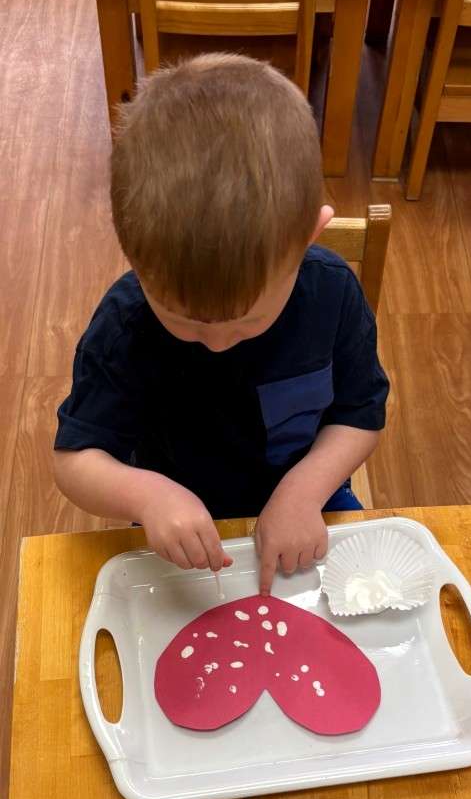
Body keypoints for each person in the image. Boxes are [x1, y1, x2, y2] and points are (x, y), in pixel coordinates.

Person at [53, 53, 389, 595]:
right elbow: (75, 460)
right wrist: (148, 497)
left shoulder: (332, 293)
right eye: (184, 321)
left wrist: (304, 491)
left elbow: (360, 415)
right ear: (133, 255)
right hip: (178, 519)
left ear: (310, 235)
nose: (215, 343)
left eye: (248, 320)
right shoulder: (125, 325)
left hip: (311, 494)